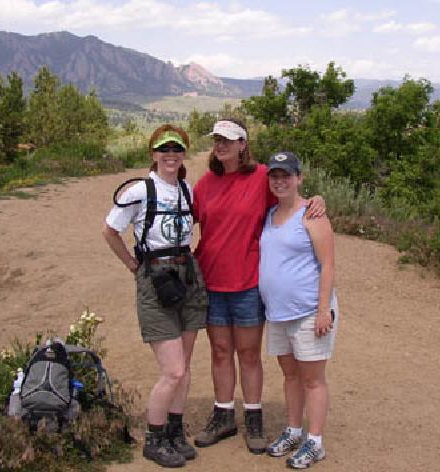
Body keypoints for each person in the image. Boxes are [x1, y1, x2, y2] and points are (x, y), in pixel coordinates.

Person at [191, 119, 325, 455]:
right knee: (220, 351)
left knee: (248, 353)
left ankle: (253, 417)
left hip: (249, 282)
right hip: (212, 280)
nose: (221, 145)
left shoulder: (261, 177)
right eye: (217, 140)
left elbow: (290, 194)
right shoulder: (205, 185)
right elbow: (183, 220)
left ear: (242, 145)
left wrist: (316, 200)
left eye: (229, 140)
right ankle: (223, 415)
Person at [103, 124, 207, 469]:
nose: (171, 155)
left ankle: (175, 432)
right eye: (164, 149)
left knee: (186, 366)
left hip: (186, 275)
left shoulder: (186, 189)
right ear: (153, 154)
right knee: (173, 370)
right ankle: (155, 438)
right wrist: (134, 266)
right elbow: (110, 230)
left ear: (183, 154)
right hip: (155, 278)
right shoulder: (139, 190)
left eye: (177, 149)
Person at [259, 151, 338, 470]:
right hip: (278, 313)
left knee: (313, 380)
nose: (280, 181)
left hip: (308, 311)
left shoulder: (312, 214)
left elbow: (329, 264)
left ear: (299, 178)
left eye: (286, 175)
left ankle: (315, 442)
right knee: (290, 375)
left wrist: (324, 310)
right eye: (275, 176)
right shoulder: (270, 214)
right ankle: (293, 431)